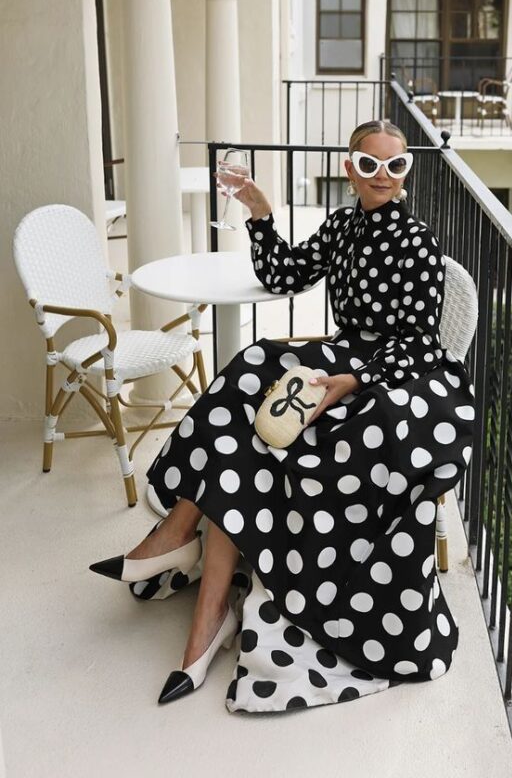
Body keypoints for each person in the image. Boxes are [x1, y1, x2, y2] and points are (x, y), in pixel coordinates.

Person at [89, 119, 477, 712]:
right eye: (370, 164)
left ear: (406, 172)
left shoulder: (417, 241)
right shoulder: (343, 225)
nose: (383, 176)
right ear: (350, 169)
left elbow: (422, 342)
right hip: (345, 355)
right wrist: (260, 212)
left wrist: (353, 381)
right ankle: (188, 551)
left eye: (395, 165)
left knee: (289, 433)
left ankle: (188, 561)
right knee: (252, 365)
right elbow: (285, 274)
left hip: (402, 377)